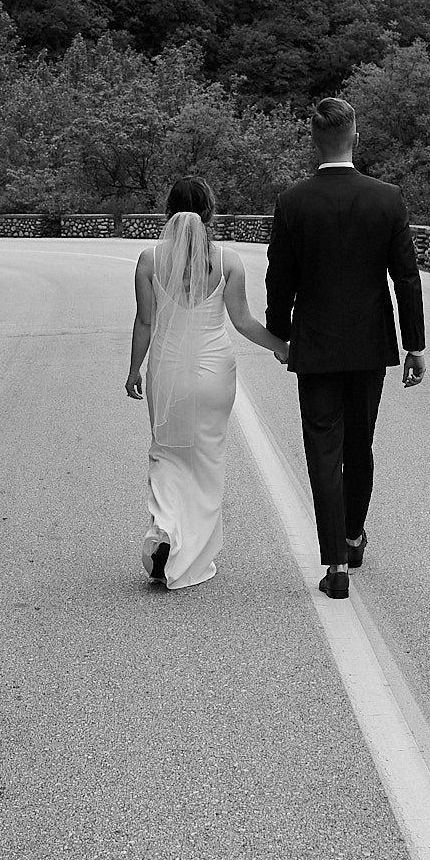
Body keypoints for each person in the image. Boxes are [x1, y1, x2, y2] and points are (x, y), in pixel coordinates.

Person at [264, 97, 426, 599]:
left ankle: (335, 563)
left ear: (314, 140)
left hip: (315, 347)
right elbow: (406, 279)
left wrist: (280, 333)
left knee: (322, 450)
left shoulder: (292, 201)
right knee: (360, 444)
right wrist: (415, 345)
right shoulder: (388, 199)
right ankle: (354, 536)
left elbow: (279, 279)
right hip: (369, 346)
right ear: (355, 137)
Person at [125, 176, 288, 588]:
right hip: (215, 372)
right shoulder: (228, 260)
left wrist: (133, 370)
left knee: (167, 452)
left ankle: (164, 528)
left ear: (167, 211)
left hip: (168, 370)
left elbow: (145, 321)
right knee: (206, 462)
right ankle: (192, 557)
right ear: (210, 213)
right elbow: (244, 321)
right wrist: (283, 347)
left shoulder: (149, 259)